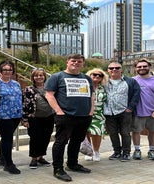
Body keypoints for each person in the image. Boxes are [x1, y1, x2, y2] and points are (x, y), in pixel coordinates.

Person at [45, 54, 94, 182]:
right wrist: (58, 111)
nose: (76, 63)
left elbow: (92, 96)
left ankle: (72, 164)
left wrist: (91, 111)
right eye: (73, 61)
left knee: (76, 141)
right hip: (65, 116)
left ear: (83, 64)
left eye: (79, 61)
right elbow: (49, 95)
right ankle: (58, 169)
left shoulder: (87, 79)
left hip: (84, 116)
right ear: (67, 62)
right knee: (61, 142)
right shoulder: (57, 77)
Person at [0, 60, 23, 174]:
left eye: (10, 69)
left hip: (16, 115)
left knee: (6, 137)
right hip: (2, 115)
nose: (8, 72)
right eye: (5, 69)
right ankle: (9, 164)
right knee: (8, 138)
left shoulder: (16, 83)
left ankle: (2, 159)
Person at [103, 62, 141, 162]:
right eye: (111, 68)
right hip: (109, 112)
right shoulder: (104, 81)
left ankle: (126, 152)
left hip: (124, 111)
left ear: (121, 69)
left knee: (125, 133)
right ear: (108, 70)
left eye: (117, 68)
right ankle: (116, 152)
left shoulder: (130, 81)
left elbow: (137, 94)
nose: (114, 70)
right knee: (112, 133)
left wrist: (130, 108)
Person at [132, 59, 154, 161]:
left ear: (149, 67)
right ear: (136, 68)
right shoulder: (132, 80)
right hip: (137, 112)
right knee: (136, 131)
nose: (142, 68)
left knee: (153, 131)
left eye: (144, 66)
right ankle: (137, 150)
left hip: (153, 112)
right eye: (139, 67)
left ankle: (152, 150)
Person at [22, 68, 55, 169]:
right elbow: (24, 104)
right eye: (36, 75)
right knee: (35, 138)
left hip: (49, 116)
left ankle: (41, 156)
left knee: (46, 137)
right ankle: (34, 157)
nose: (39, 77)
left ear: (45, 77)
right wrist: (25, 119)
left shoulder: (50, 88)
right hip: (34, 117)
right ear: (33, 77)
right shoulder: (28, 89)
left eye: (41, 75)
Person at [83, 68, 108, 162]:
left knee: (97, 133)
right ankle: (89, 152)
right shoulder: (85, 86)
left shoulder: (104, 88)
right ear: (90, 75)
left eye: (100, 75)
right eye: (94, 74)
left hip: (99, 114)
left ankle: (96, 151)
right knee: (87, 133)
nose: (97, 76)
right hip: (85, 113)